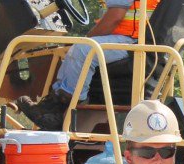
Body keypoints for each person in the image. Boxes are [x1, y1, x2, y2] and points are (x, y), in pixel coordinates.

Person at [18, 0, 157, 128]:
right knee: (70, 50)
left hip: (131, 40)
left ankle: (67, 108)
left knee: (82, 50)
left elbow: (115, 18)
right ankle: (54, 102)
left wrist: (86, 39)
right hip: (130, 39)